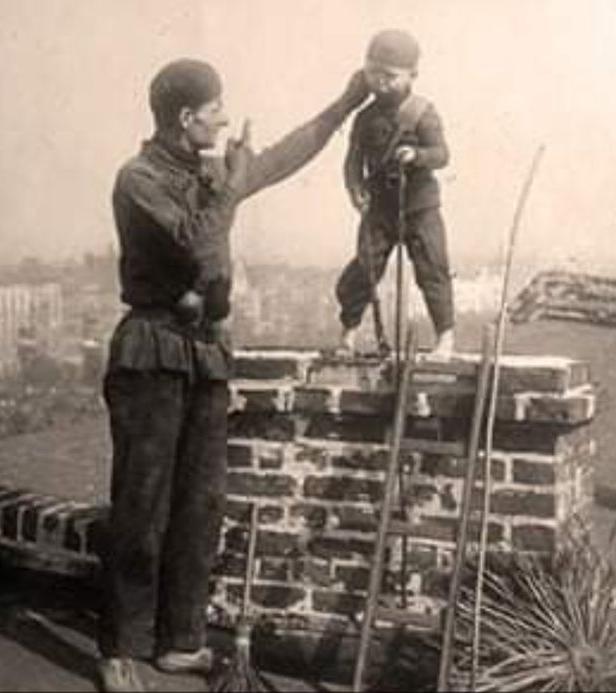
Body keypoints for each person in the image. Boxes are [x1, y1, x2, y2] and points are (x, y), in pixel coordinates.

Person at [97, 58, 368, 692]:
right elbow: (197, 239)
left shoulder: (210, 171)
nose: (224, 115)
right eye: (215, 108)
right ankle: (119, 648)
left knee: (201, 503)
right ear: (186, 118)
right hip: (152, 350)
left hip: (205, 352)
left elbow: (281, 157)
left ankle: (179, 641)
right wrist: (234, 180)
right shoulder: (137, 178)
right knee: (141, 506)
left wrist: (344, 103)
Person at [335, 29, 455, 356]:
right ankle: (348, 334)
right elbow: (352, 163)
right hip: (379, 210)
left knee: (432, 269)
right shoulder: (363, 118)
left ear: (412, 75)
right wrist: (355, 190)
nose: (380, 83)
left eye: (389, 76)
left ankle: (445, 338)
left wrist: (417, 156)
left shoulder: (422, 112)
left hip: (420, 207)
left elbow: (442, 154)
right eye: (373, 73)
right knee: (365, 267)